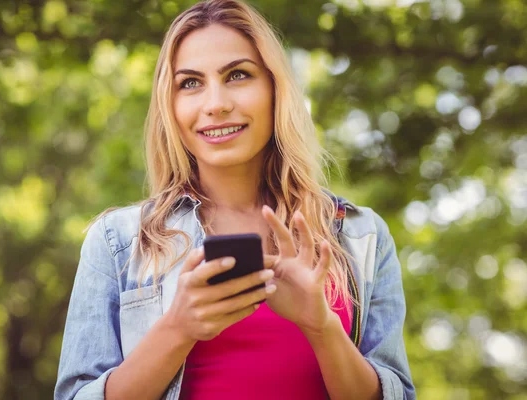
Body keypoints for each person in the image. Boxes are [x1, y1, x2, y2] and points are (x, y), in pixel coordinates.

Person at [54, 0, 415, 399]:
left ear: (275, 88)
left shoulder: (359, 236)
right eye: (190, 82)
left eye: (238, 75)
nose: (216, 104)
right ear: (169, 105)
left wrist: (322, 327)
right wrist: (179, 328)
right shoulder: (117, 242)